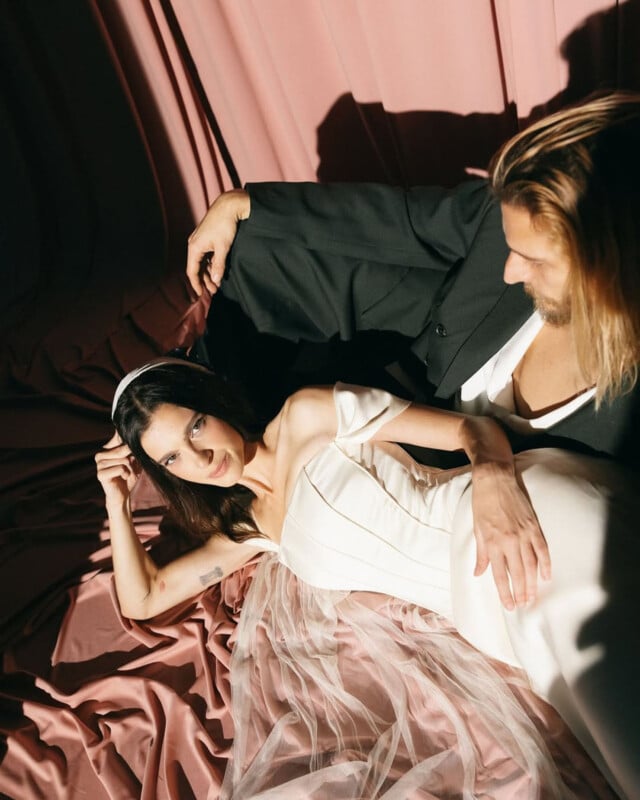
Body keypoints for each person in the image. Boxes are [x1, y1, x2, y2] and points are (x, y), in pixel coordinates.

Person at [97, 358, 639, 798]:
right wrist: (116, 502)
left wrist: (495, 476)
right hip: (489, 612)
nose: (200, 456)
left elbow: (473, 430)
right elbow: (145, 598)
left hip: (511, 520)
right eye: (173, 459)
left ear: (213, 402)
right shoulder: (250, 531)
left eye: (195, 426)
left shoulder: (307, 414)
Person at [185, 91, 640, 469]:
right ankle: (195, 383)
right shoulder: (518, 220)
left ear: (614, 264)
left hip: (463, 502)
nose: (509, 271)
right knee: (254, 246)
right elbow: (406, 223)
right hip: (419, 371)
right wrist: (247, 205)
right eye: (511, 247)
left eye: (535, 261)